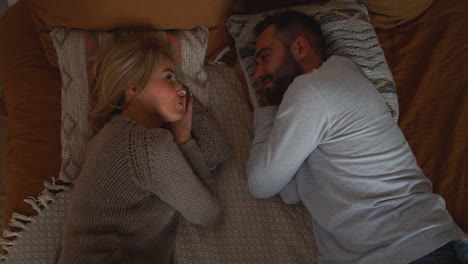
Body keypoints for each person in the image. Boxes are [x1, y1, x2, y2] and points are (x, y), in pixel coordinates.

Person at [246, 10, 467, 264]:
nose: (258, 72)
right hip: (416, 247)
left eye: (265, 58)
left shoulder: (310, 89)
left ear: (299, 47)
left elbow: (260, 184)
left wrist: (264, 109)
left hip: (409, 250)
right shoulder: (337, 84)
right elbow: (290, 191)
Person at [59, 38, 231, 263]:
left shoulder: (117, 136)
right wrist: (182, 136)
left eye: (178, 80)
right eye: (169, 77)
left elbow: (216, 153)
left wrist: (182, 111)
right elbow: (209, 214)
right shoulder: (146, 146)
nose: (181, 88)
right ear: (133, 87)